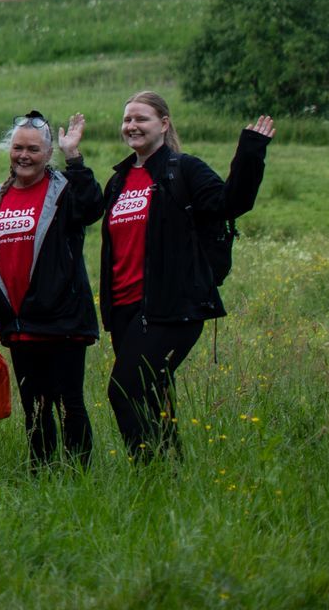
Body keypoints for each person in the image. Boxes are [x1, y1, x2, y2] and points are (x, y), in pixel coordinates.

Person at [100, 93, 274, 460]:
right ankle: (170, 474)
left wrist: (251, 152)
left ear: (163, 124)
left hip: (173, 305)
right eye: (127, 118)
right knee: (154, 393)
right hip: (127, 309)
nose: (132, 125)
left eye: (141, 118)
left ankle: (147, 471)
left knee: (124, 390)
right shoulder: (117, 182)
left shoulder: (184, 169)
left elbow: (231, 202)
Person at [0, 111, 101, 469]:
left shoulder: (64, 190)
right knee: (35, 406)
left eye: (33, 149)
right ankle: (42, 473)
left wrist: (74, 157)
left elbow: (93, 207)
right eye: (18, 148)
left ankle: (80, 476)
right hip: (18, 322)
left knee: (68, 403)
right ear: (9, 150)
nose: (24, 156)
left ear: (48, 154)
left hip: (63, 319)